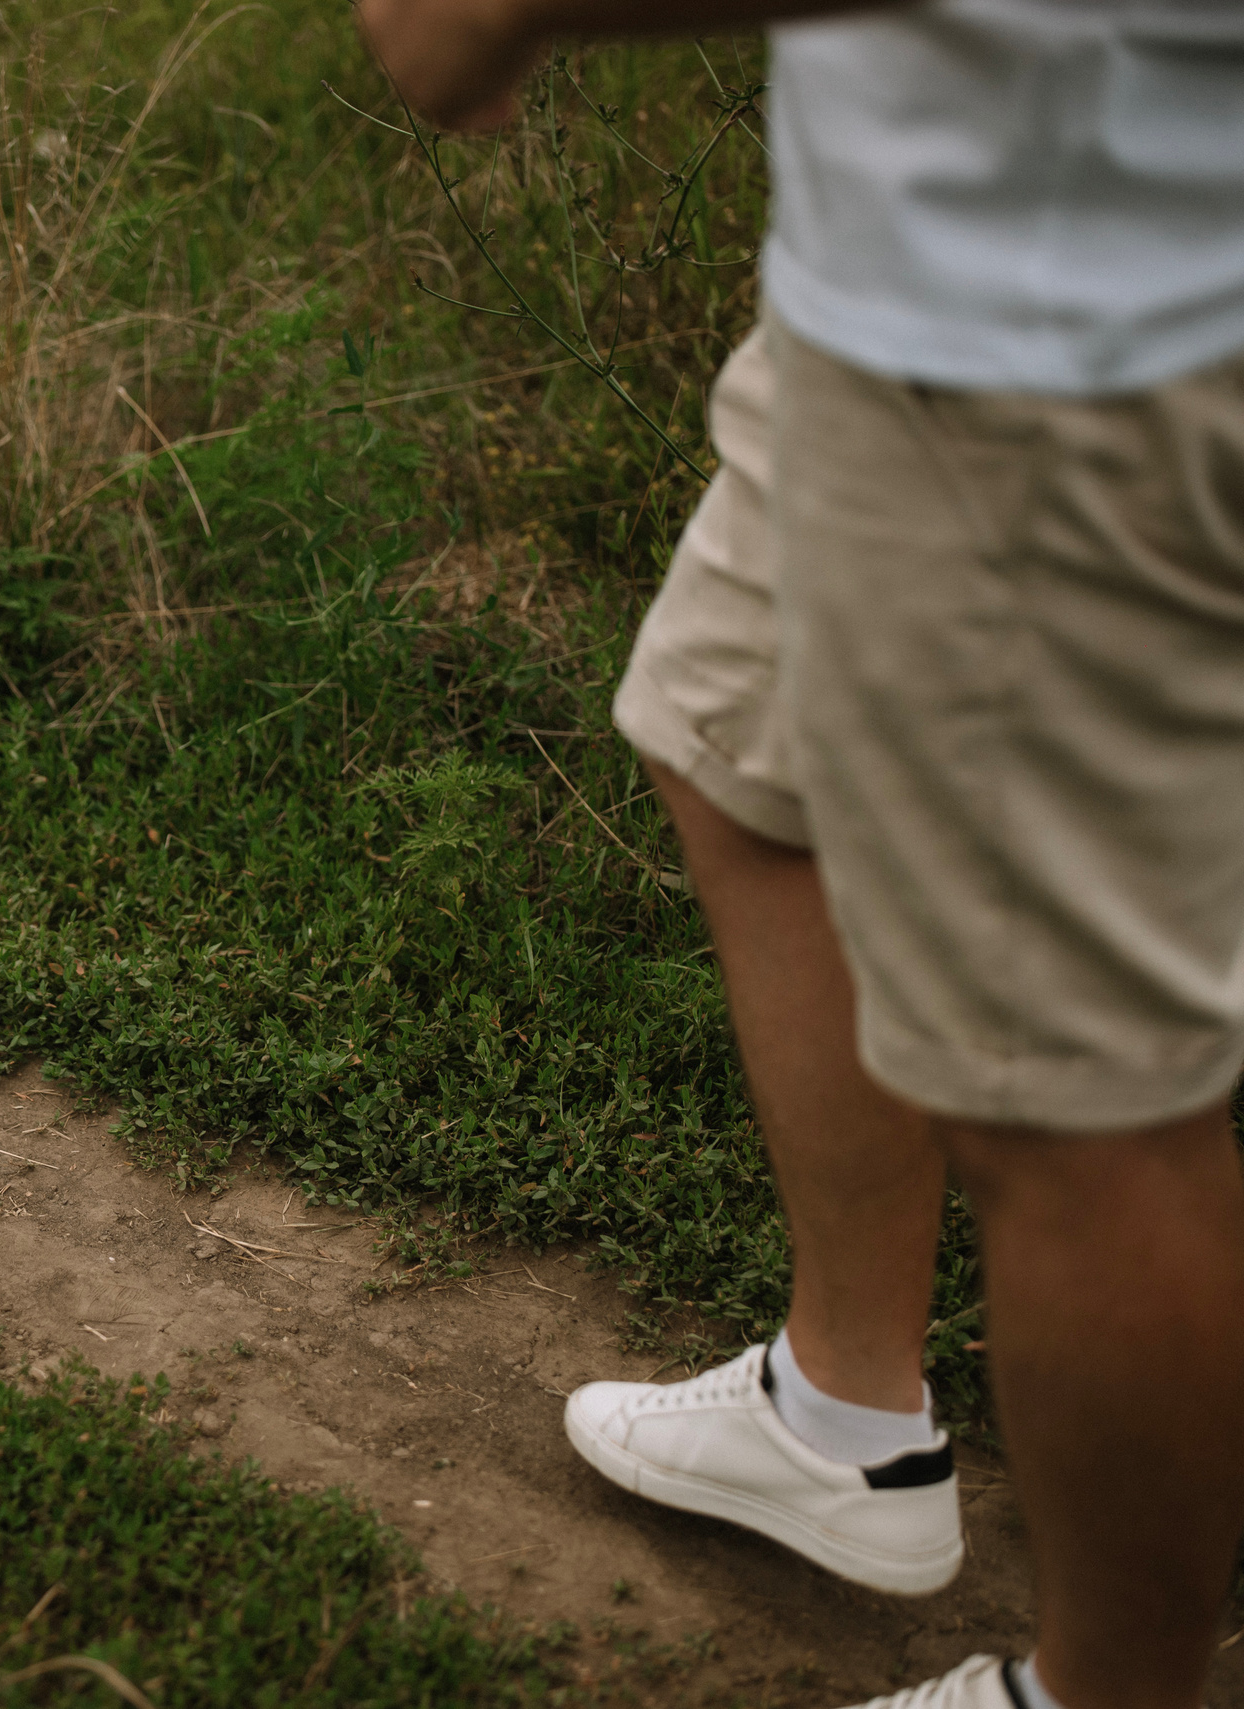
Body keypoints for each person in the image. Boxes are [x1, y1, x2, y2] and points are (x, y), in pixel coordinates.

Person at [356, 1, 1244, 1704]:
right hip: (916, 273)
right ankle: (849, 1419)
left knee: (1082, 1107)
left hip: (1074, 330)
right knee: (735, 745)